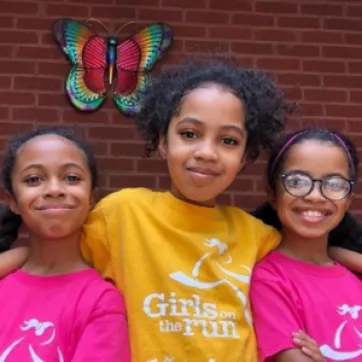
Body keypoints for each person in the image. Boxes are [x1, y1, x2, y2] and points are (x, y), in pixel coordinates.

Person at [79, 59, 320, 361]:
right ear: (163, 141)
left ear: (244, 157)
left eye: (228, 141)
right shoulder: (120, 214)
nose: (206, 153)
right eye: (189, 134)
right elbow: (52, 263)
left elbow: (316, 262)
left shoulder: (257, 235)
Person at [0, 127, 129, 361]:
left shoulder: (100, 302)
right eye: (34, 179)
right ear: (13, 201)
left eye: (71, 178)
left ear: (91, 197)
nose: (54, 190)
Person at [251, 128, 362, 362]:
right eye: (297, 181)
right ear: (272, 194)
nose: (315, 195)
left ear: (348, 199)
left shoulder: (354, 278)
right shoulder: (268, 278)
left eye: (334, 183)